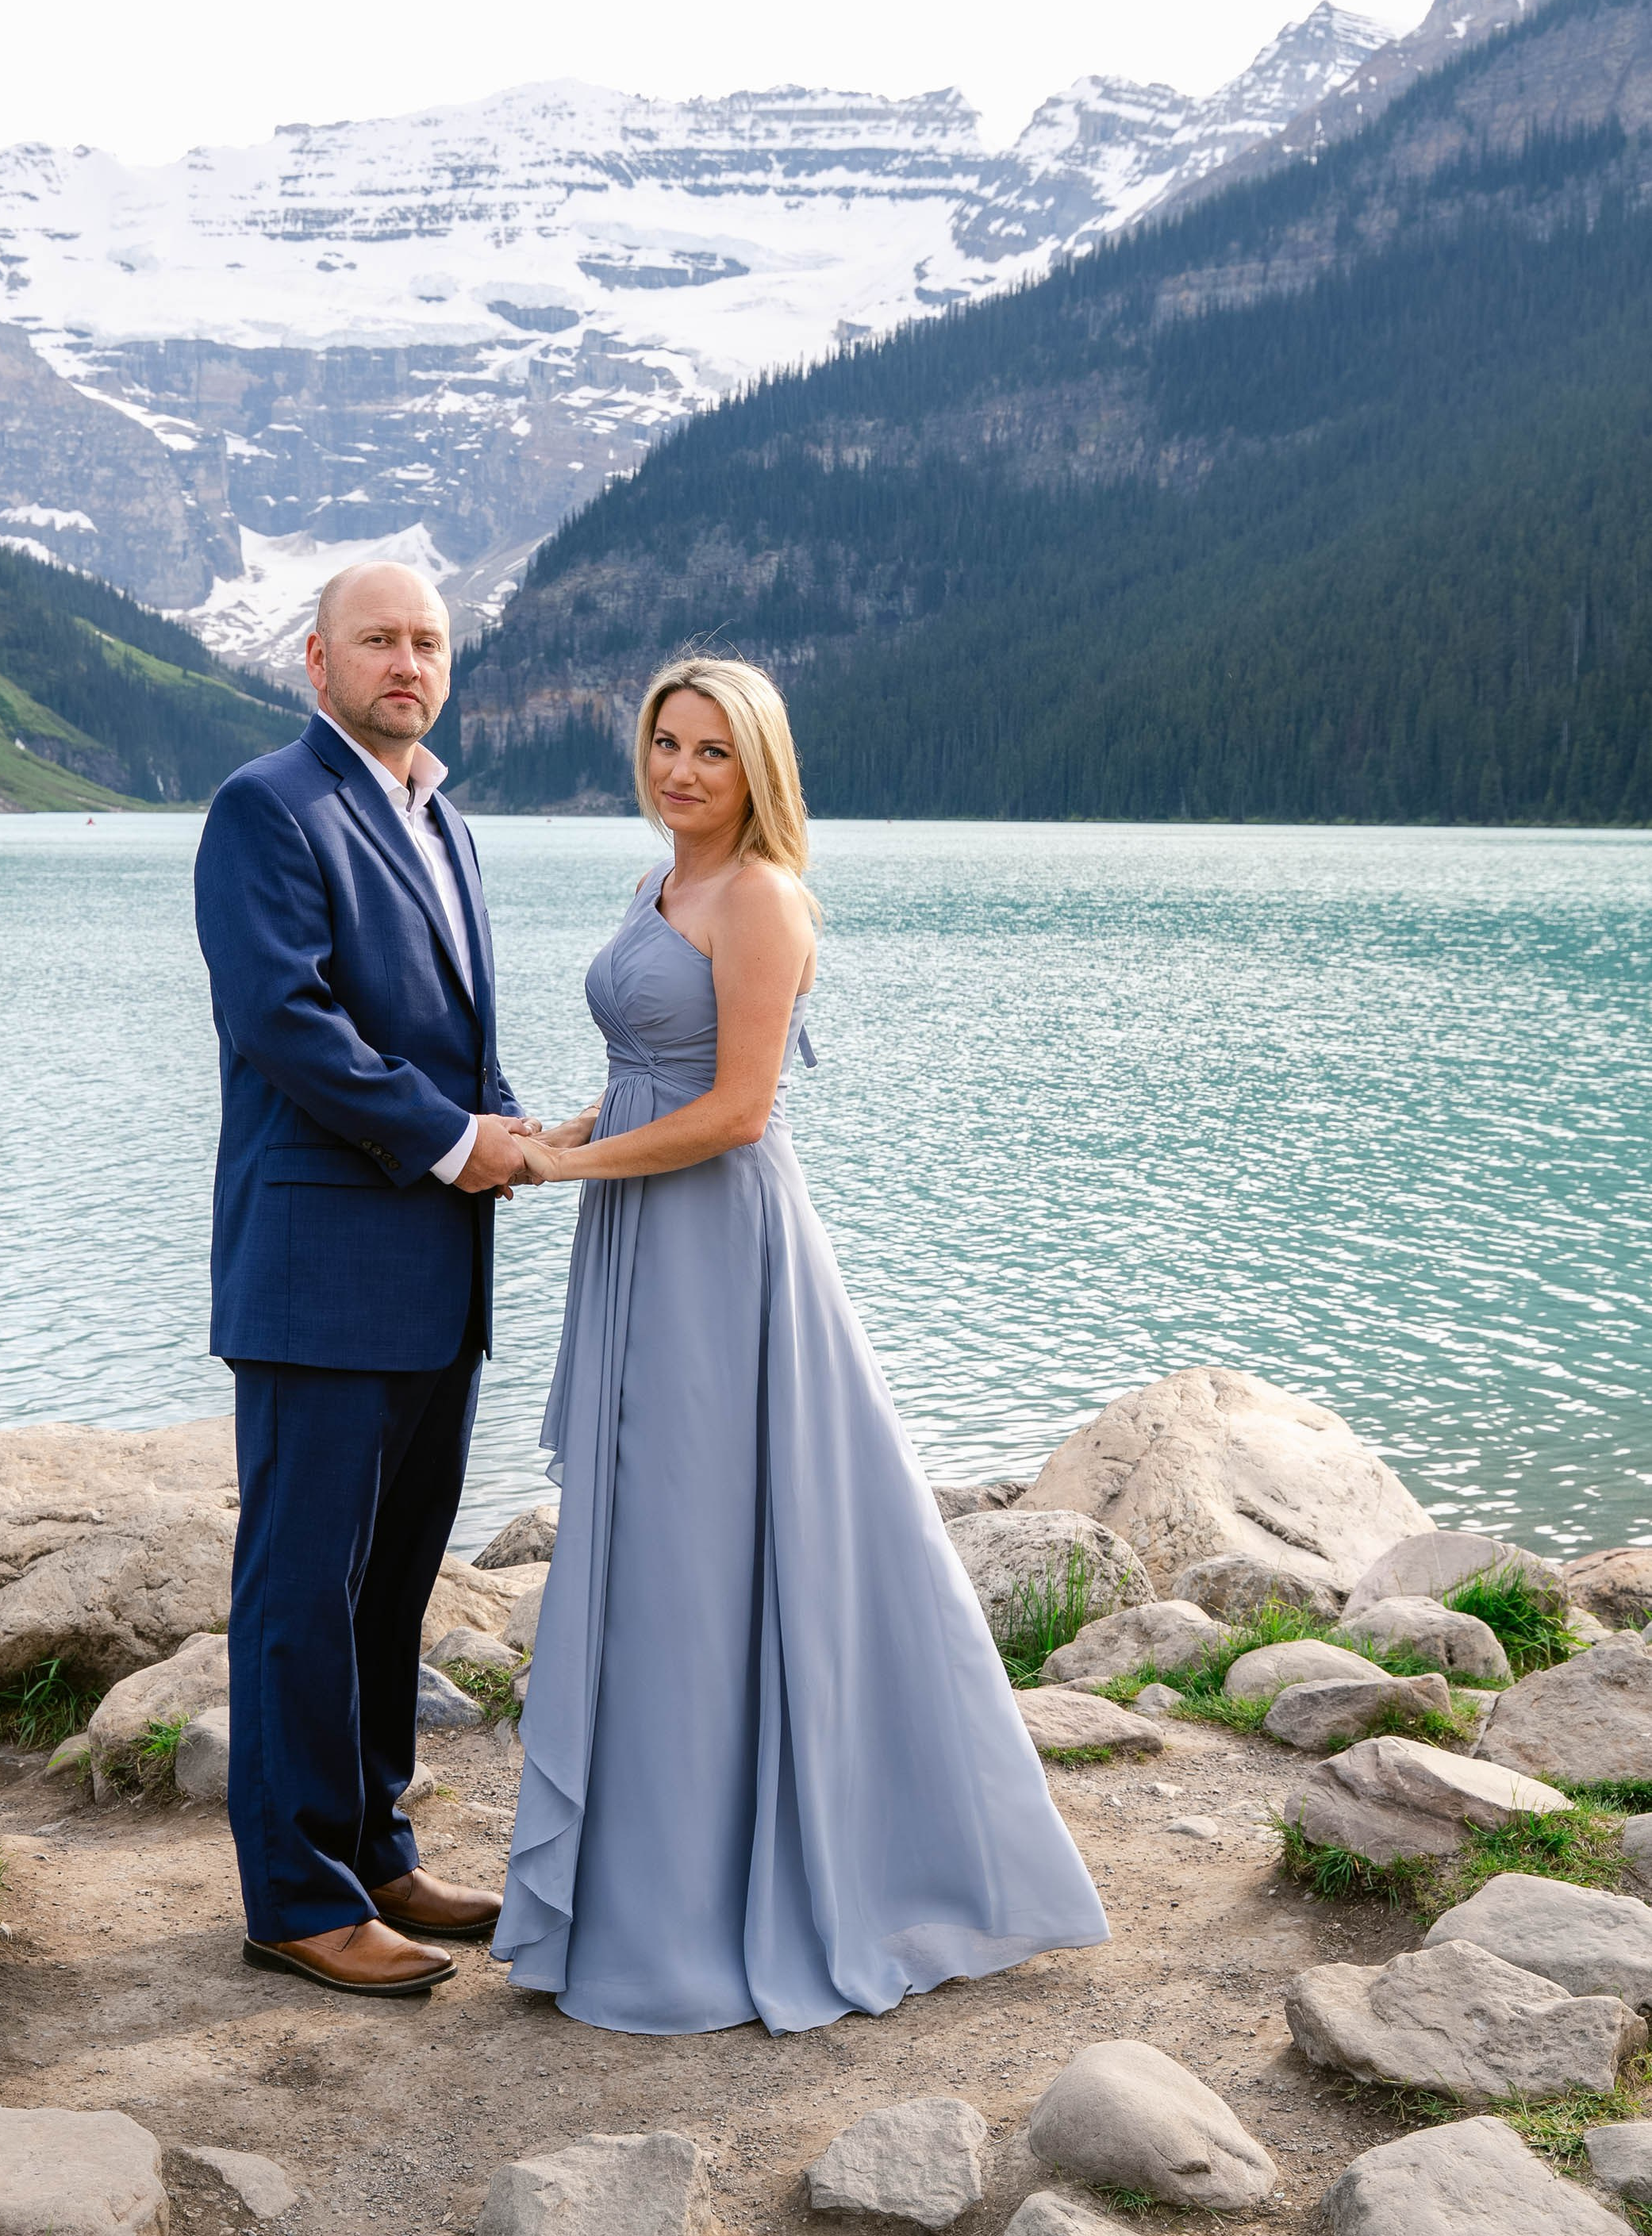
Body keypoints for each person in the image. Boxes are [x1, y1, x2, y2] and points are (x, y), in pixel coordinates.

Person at [494, 655, 1109, 2034]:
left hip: (721, 1251)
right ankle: (633, 1893)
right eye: (667, 741)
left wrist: (561, 1177)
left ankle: (726, 1905)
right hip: (640, 1239)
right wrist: (567, 1131)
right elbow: (655, 1074)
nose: (684, 770)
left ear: (758, 768)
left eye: (715, 750)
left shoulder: (764, 896)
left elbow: (737, 1113)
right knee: (654, 1549)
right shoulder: (661, 885)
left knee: (712, 1557)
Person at [194, 561, 563, 1996]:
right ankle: (294, 1896)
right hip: (318, 1272)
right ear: (317, 660)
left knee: (394, 1582)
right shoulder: (269, 806)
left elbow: (448, 1036)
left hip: (434, 1271)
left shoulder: (440, 813)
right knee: (301, 1590)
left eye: (427, 642)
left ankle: (375, 1847)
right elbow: (285, 1019)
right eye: (378, 641)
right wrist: (453, 1137)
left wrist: (511, 1121)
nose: (405, 662)